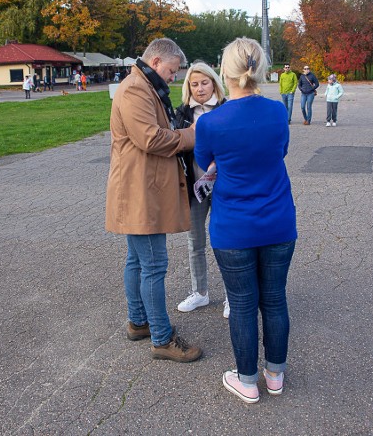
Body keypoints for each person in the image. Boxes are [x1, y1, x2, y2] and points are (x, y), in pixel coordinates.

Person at [195, 37, 298, 403]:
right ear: (260, 68)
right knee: (274, 298)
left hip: (233, 226)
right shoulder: (276, 111)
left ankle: (247, 380)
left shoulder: (210, 122)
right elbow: (280, 151)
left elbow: (204, 161)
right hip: (278, 221)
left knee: (241, 303)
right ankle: (275, 375)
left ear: (225, 72)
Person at [105, 37, 202, 363]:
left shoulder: (145, 86)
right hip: (139, 192)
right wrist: (193, 135)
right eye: (173, 71)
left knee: (137, 261)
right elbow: (150, 138)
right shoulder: (135, 89)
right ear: (157, 61)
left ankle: (139, 322)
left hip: (141, 189)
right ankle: (162, 338)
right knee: (154, 265)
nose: (174, 78)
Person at [174, 61, 228, 318]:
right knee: (194, 241)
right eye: (194, 84)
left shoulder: (227, 108)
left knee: (226, 242)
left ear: (214, 82)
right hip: (194, 188)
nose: (199, 88)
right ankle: (200, 292)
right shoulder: (182, 112)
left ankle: (232, 295)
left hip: (224, 186)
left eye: (204, 83)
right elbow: (175, 143)